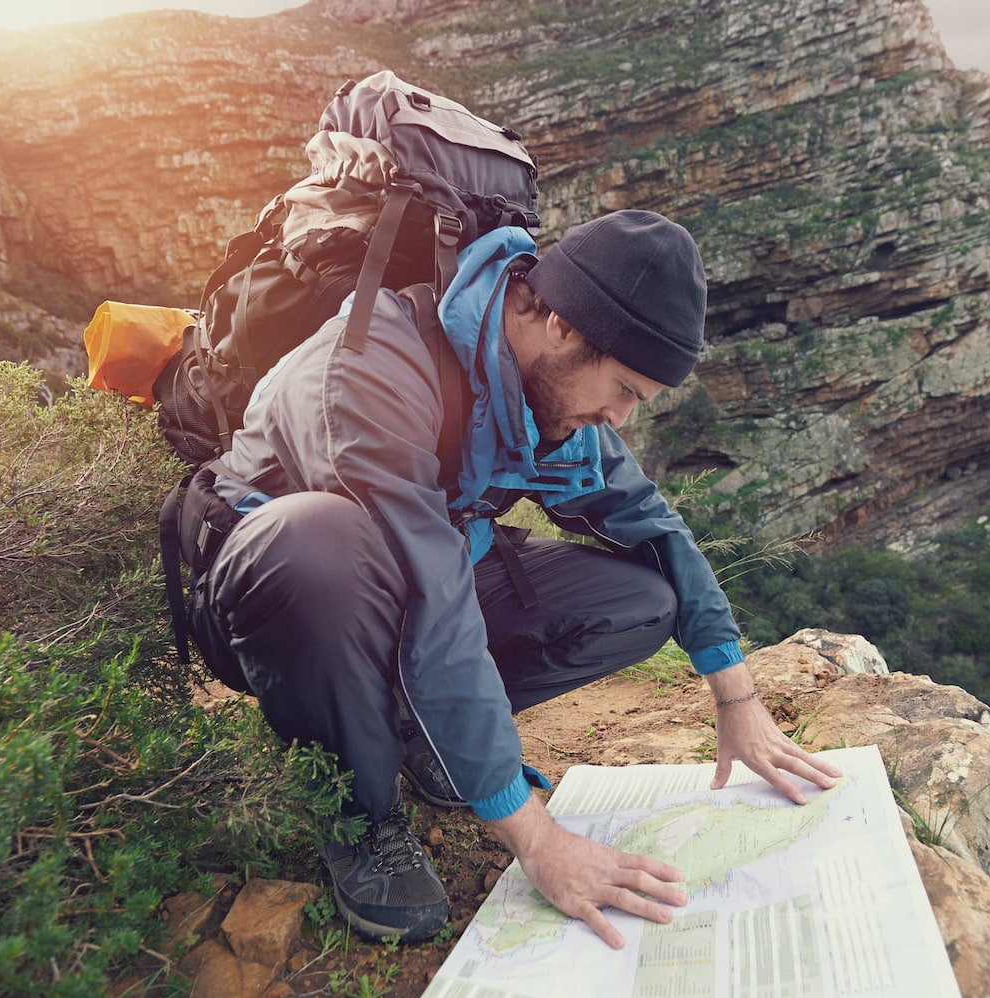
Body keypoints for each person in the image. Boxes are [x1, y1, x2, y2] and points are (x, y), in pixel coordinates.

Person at [190, 209, 843, 946]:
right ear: (563, 326)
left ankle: (420, 736)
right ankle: (360, 813)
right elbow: (434, 601)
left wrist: (736, 693)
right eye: (623, 388)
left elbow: (649, 522)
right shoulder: (372, 370)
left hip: (419, 572)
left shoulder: (546, 391)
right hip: (279, 599)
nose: (620, 417)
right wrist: (537, 839)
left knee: (641, 601)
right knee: (316, 542)